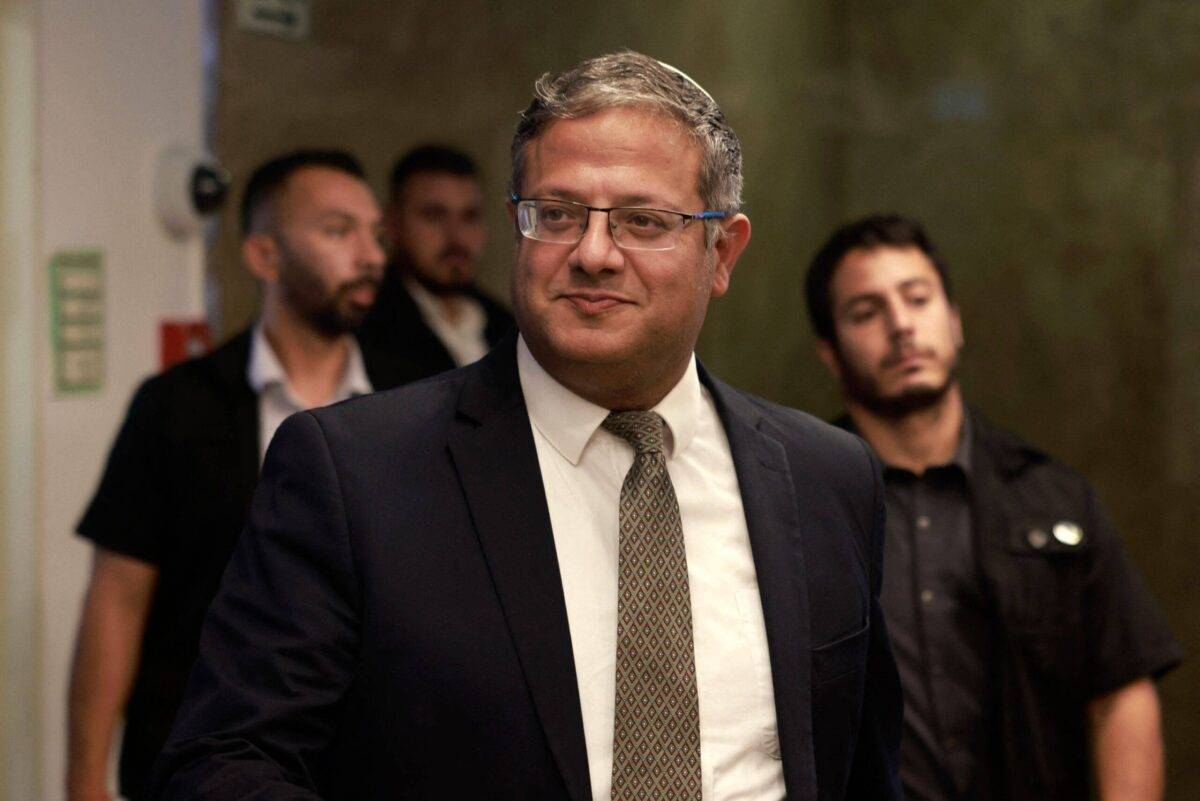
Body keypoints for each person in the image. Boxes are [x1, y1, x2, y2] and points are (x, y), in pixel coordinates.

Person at [150, 52, 903, 800]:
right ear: (518, 226)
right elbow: (224, 761)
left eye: (643, 220)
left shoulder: (827, 478)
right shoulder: (356, 474)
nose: (594, 253)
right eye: (559, 214)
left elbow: (862, 768)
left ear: (722, 252)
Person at [68, 150, 418, 801]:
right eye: (338, 231)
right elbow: (117, 595)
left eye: (376, 234)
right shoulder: (179, 405)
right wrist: (85, 778)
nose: (369, 254)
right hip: (191, 760)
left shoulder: (413, 401)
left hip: (360, 766)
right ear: (264, 256)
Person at [804, 214, 1183, 801]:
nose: (901, 325)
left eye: (918, 298)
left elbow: (1121, 695)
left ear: (954, 322)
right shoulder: (803, 506)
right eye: (866, 311)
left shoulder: (1053, 498)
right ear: (830, 353)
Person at [357, 144, 513, 375]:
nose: (456, 236)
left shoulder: (509, 327)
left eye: (470, 216)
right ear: (392, 224)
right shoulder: (363, 325)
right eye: (434, 216)